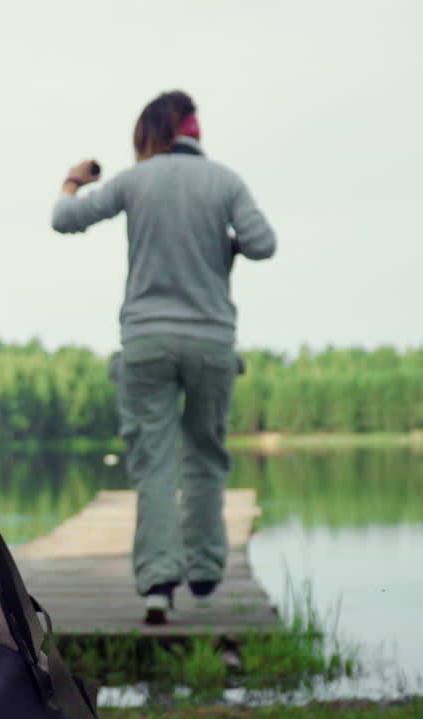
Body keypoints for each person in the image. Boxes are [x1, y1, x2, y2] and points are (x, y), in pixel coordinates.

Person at [50, 91, 276, 624]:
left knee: (154, 463)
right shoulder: (225, 180)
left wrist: (72, 182)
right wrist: (224, 246)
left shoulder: (135, 180)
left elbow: (65, 220)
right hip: (211, 341)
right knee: (205, 454)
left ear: (152, 133)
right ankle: (203, 573)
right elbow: (263, 243)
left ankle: (157, 587)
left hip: (147, 340)